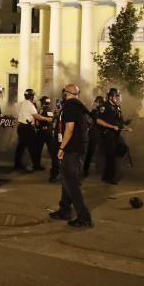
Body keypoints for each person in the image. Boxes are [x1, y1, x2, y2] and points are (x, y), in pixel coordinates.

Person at [49, 83, 92, 227]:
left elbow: (69, 129)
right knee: (66, 180)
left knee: (71, 182)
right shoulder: (79, 105)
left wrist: (62, 147)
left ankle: (84, 216)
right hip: (76, 148)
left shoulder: (70, 106)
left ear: (66, 93)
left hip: (72, 149)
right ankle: (64, 210)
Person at [95, 88, 130, 184]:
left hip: (116, 134)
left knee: (121, 149)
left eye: (119, 96)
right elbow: (98, 120)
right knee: (111, 157)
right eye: (116, 96)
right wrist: (111, 126)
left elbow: (119, 121)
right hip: (108, 134)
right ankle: (110, 178)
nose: (118, 98)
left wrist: (125, 127)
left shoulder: (117, 107)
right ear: (111, 97)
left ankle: (106, 176)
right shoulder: (105, 106)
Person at [15, 89, 47, 171]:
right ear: (31, 96)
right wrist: (48, 119)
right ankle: (36, 165)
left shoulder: (23, 103)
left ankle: (17, 164)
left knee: (21, 147)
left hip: (21, 127)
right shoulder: (30, 105)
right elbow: (37, 117)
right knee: (34, 147)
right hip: (28, 128)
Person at [34, 95, 59, 182]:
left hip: (42, 131)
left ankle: (37, 165)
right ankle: (54, 166)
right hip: (46, 132)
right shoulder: (46, 109)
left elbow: (49, 119)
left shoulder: (42, 109)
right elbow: (50, 120)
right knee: (51, 150)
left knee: (39, 149)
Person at [82, 95, 104, 176]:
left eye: (98, 102)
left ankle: (98, 168)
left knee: (99, 152)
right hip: (94, 133)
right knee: (90, 152)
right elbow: (88, 120)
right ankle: (86, 169)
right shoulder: (94, 111)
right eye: (96, 102)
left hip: (99, 133)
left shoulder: (100, 111)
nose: (96, 103)